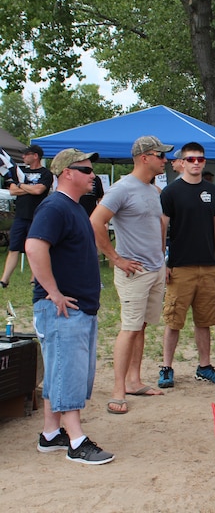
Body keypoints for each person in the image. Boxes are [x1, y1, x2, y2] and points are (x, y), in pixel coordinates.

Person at [27, 147, 114, 464]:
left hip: (79, 308)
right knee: (69, 374)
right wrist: (53, 291)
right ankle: (77, 441)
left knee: (61, 371)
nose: (94, 176)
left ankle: (51, 434)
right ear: (67, 173)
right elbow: (34, 246)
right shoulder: (54, 207)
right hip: (62, 309)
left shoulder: (74, 207)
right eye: (87, 170)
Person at [91, 136, 172, 414]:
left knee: (142, 326)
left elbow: (158, 226)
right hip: (134, 272)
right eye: (161, 155)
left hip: (154, 269)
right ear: (145, 157)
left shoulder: (153, 189)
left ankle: (134, 380)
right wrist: (116, 259)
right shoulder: (122, 188)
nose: (165, 160)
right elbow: (95, 221)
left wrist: (162, 258)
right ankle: (117, 390)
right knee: (129, 328)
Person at [158, 141, 215, 388]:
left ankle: (205, 366)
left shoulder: (212, 191)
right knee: (173, 320)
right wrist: (162, 261)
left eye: (200, 159)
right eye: (191, 159)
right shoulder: (170, 193)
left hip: (208, 266)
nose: (196, 163)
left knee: (204, 320)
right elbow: (162, 227)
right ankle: (166, 367)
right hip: (180, 266)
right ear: (181, 162)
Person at [1, 144, 54, 288]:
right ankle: (4, 280)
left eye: (26, 154)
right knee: (14, 248)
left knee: (35, 249)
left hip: (38, 216)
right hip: (20, 216)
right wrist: (26, 187)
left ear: (35, 155)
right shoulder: (20, 171)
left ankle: (34, 279)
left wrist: (21, 185)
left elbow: (39, 190)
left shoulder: (46, 174)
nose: (23, 157)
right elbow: (12, 191)